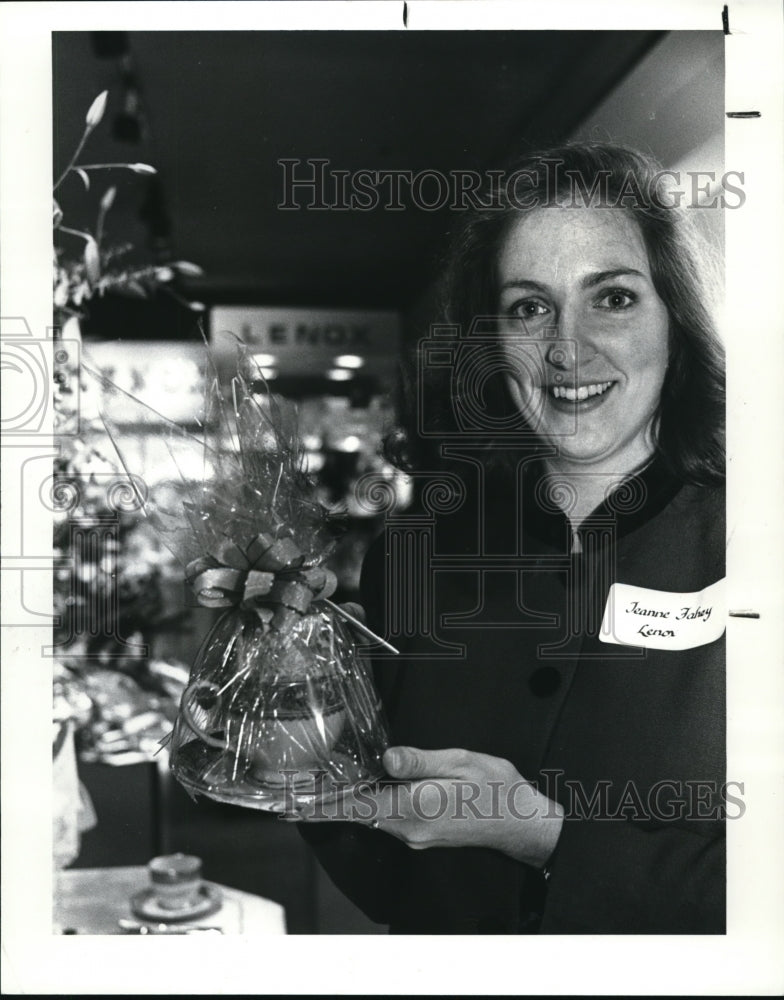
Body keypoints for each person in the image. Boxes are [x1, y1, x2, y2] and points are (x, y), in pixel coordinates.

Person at [298, 142, 727, 934]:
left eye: (615, 298)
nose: (568, 348)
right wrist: (291, 694)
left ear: (677, 317)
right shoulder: (414, 553)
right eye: (530, 307)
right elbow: (391, 868)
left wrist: (544, 837)